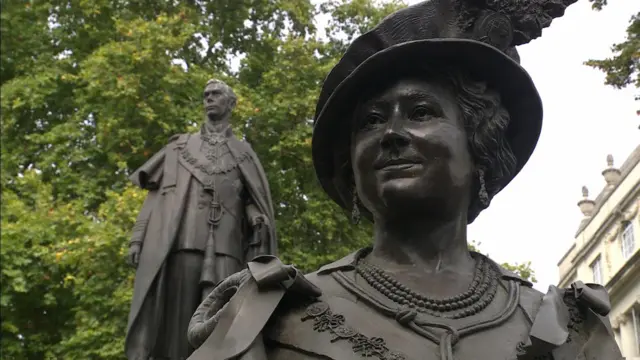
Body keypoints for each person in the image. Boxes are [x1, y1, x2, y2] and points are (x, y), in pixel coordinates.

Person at [186, 1, 623, 359]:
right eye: (371, 121)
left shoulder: (571, 330)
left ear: (480, 148)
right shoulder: (271, 317)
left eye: (421, 112)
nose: (391, 134)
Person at [124, 79, 277, 360]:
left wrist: (258, 219)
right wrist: (138, 237)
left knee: (225, 320)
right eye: (206, 95)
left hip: (227, 248)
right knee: (178, 321)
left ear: (231, 103)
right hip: (185, 244)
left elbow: (252, 202)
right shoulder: (179, 148)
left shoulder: (244, 153)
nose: (208, 98)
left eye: (216, 94)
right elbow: (157, 197)